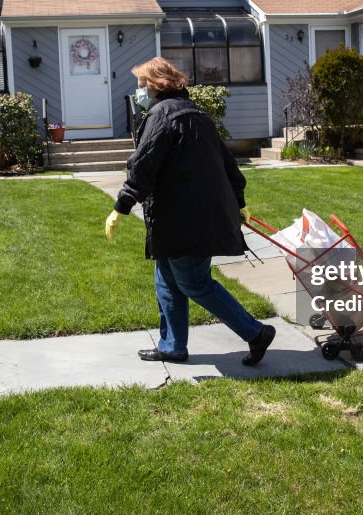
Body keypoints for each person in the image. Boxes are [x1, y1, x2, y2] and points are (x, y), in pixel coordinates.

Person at [104, 57, 275, 365]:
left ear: (156, 86)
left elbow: (143, 167)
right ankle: (171, 346)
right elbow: (228, 165)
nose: (138, 91)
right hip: (181, 216)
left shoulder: (163, 116)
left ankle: (256, 332)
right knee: (166, 279)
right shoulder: (196, 114)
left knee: (194, 282)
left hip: (186, 218)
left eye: (141, 85)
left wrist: (121, 207)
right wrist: (239, 201)